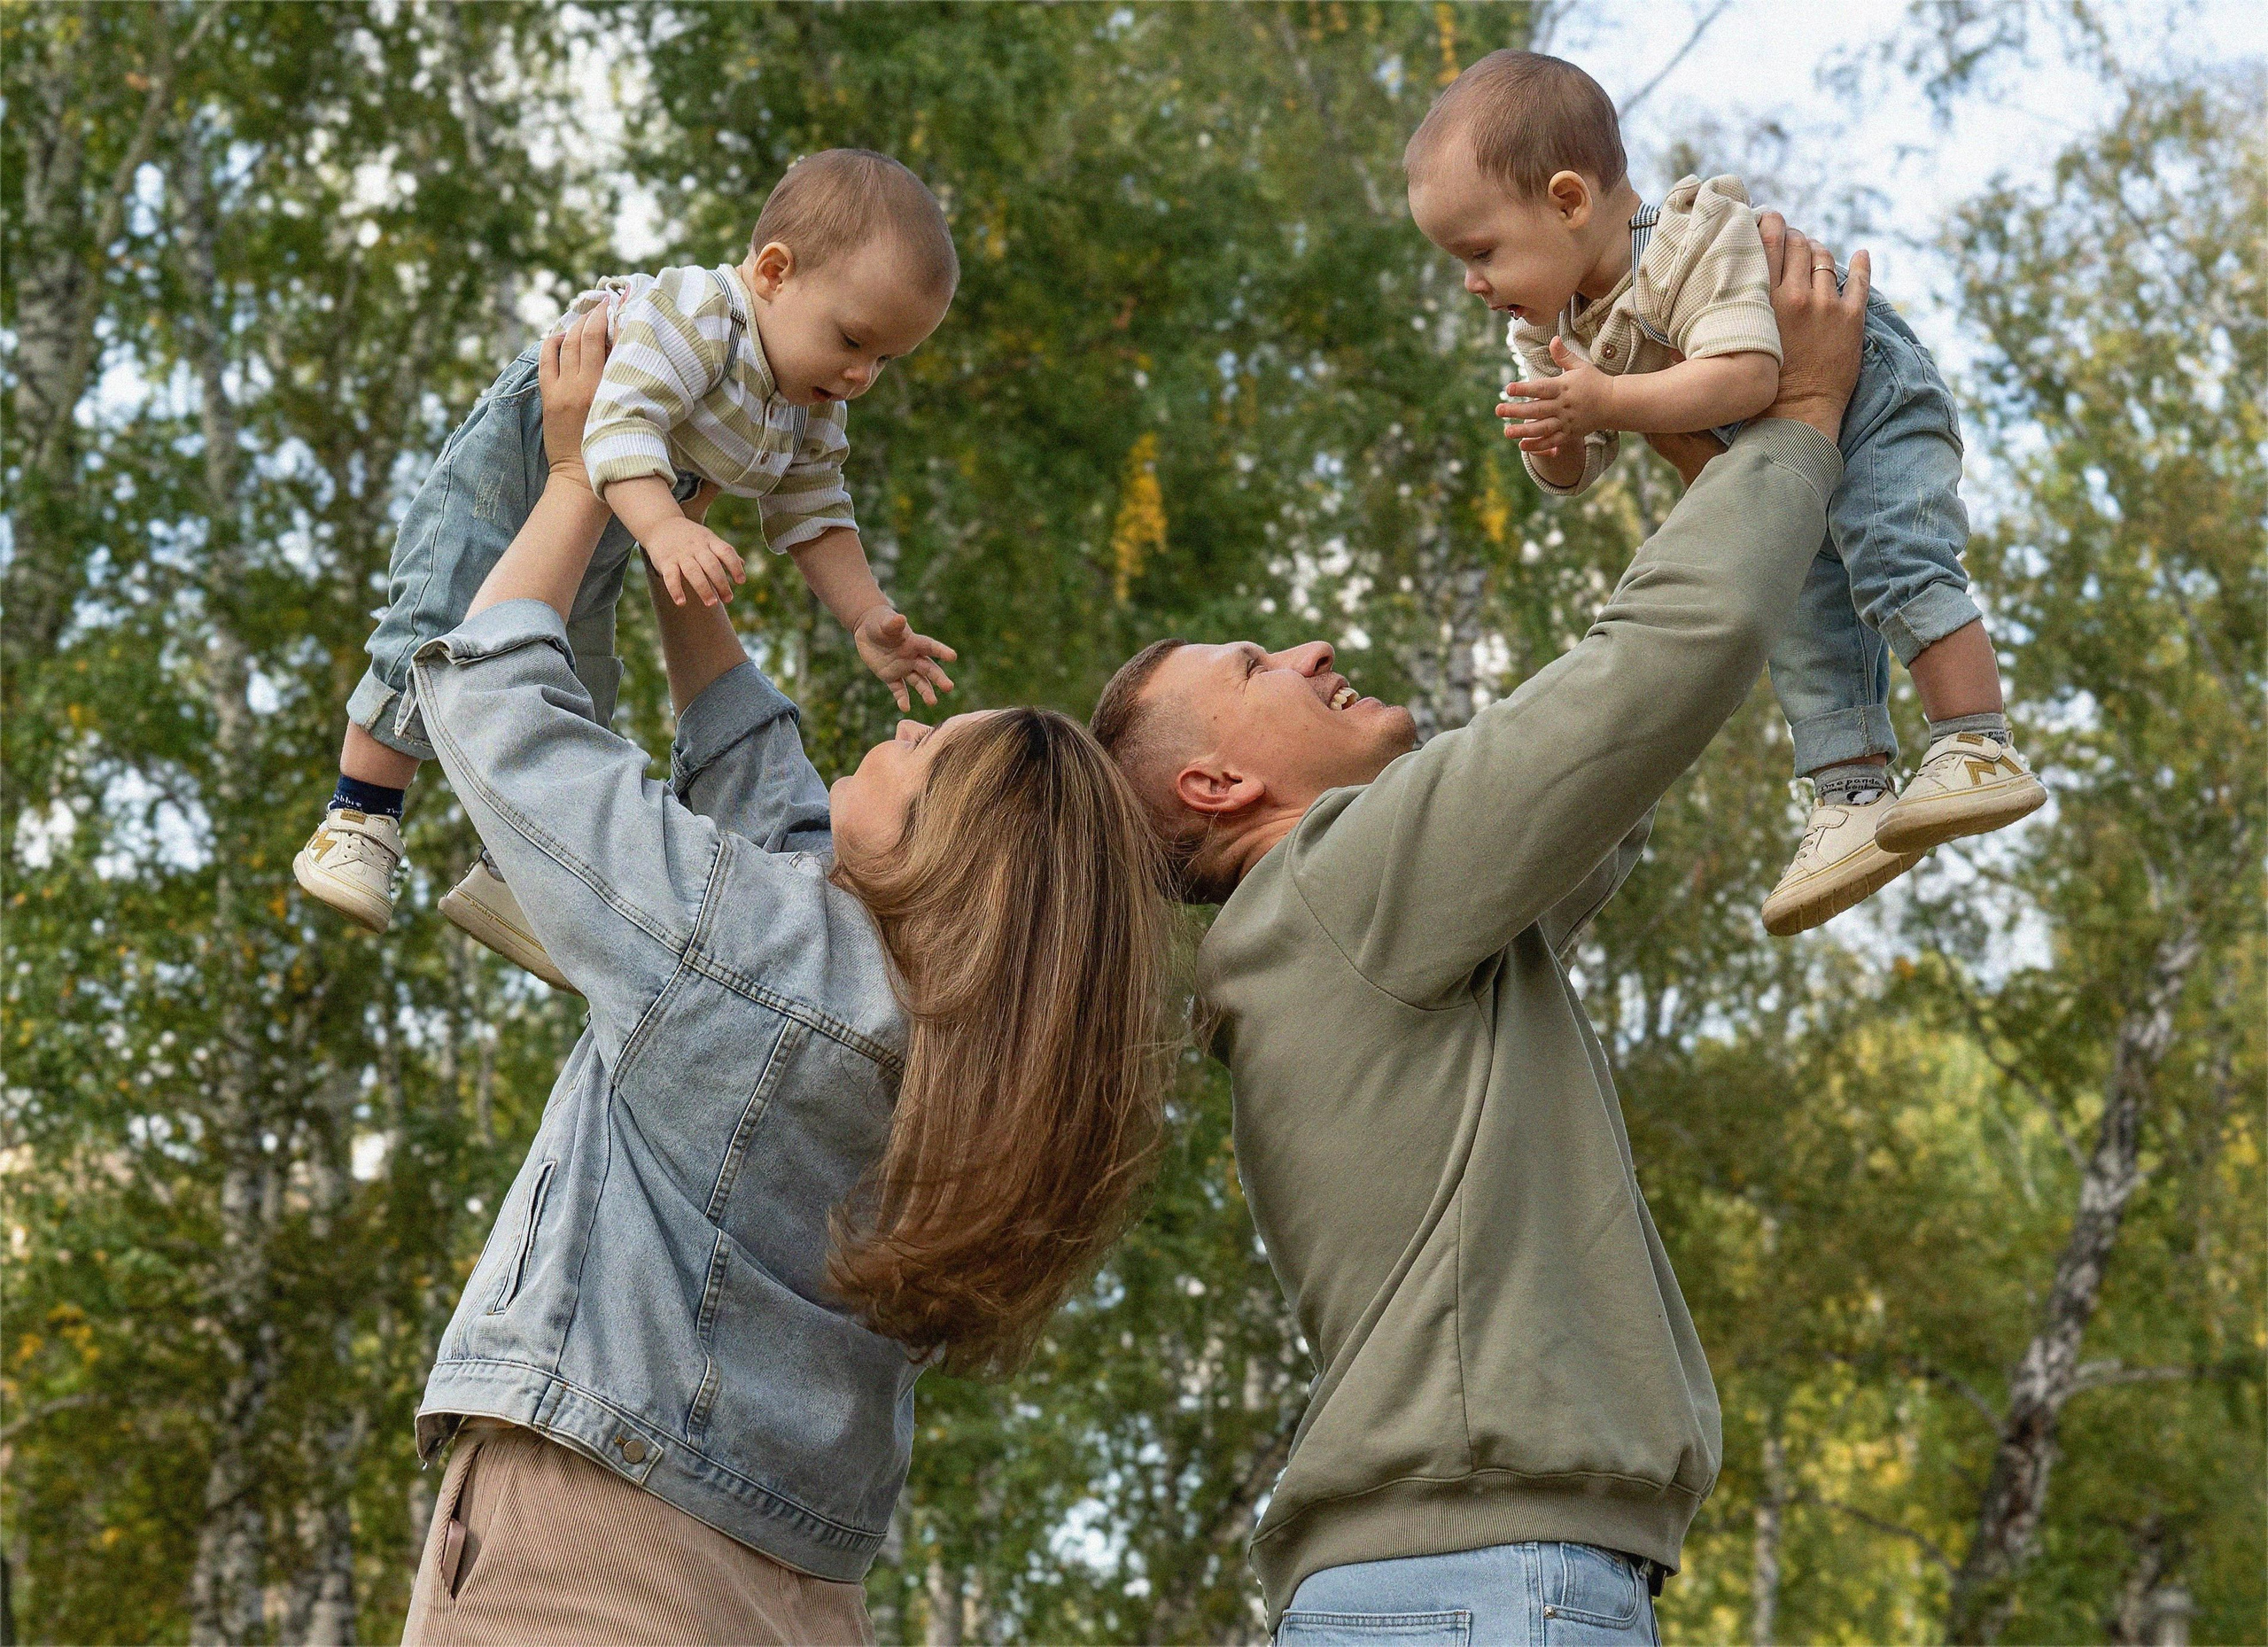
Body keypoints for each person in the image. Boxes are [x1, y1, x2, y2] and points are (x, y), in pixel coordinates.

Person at [1090, 222, 1864, 1642]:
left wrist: (1695, 444)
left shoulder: (1348, 931)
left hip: (1451, 1585)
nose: (1313, 649)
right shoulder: (1338, 885)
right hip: (1488, 1587)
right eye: (1256, 664)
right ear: (1216, 785)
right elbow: (1645, 676)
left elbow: (1611, 769)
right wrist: (1800, 422)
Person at [398, 309, 1170, 1644]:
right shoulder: (958, 1041)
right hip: (799, 1575)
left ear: (953, 857)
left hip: (600, 1538)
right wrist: (674, 544)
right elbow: (770, 796)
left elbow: (497, 710)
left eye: (930, 754)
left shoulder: (756, 960)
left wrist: (579, 478)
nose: (904, 732)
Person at [1405, 50, 2045, 938]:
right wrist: (1558, 441)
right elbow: (1575, 467)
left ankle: (1976, 740)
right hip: (1782, 448)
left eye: (1481, 252)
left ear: (1568, 202)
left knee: (1891, 555)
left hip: (1869, 401)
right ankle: (1851, 796)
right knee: (1798, 616)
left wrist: (1605, 402)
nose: (1473, 283)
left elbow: (1745, 375)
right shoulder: (1551, 327)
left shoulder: (1687, 240)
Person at [296, 149, 961, 988]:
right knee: (446, 606)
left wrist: (866, 614)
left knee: (572, 666)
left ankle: (515, 873)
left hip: (626, 500)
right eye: (854, 340)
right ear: (774, 273)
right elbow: (615, 423)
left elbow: (817, 510)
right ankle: (361, 815)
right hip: (536, 448)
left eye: (886, 361)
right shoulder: (700, 317)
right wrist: (667, 528)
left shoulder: (810, 402)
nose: (861, 375)